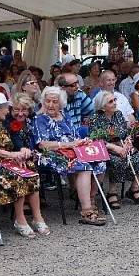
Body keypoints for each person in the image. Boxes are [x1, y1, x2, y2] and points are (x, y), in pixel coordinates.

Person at [0, 92, 49, 238]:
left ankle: (37, 217)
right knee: (17, 176)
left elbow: (9, 144)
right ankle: (20, 220)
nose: (8, 111)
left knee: (31, 169)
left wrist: (17, 156)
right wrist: (12, 155)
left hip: (5, 161)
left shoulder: (0, 122)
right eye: (6, 108)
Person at [34, 86, 107, 226]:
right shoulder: (40, 119)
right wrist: (68, 145)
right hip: (52, 154)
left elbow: (75, 136)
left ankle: (89, 198)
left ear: (60, 103)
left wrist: (82, 141)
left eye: (54, 102)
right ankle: (87, 212)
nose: (50, 105)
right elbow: (42, 144)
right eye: (48, 101)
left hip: (73, 151)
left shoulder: (65, 116)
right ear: (43, 102)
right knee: (84, 166)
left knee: (100, 162)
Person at [89, 91, 139, 208]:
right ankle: (112, 192)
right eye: (111, 101)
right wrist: (114, 147)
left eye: (115, 100)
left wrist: (127, 142)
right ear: (103, 106)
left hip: (121, 145)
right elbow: (94, 139)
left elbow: (124, 133)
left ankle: (134, 190)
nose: (115, 103)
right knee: (117, 161)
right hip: (105, 148)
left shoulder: (118, 114)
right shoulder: (95, 118)